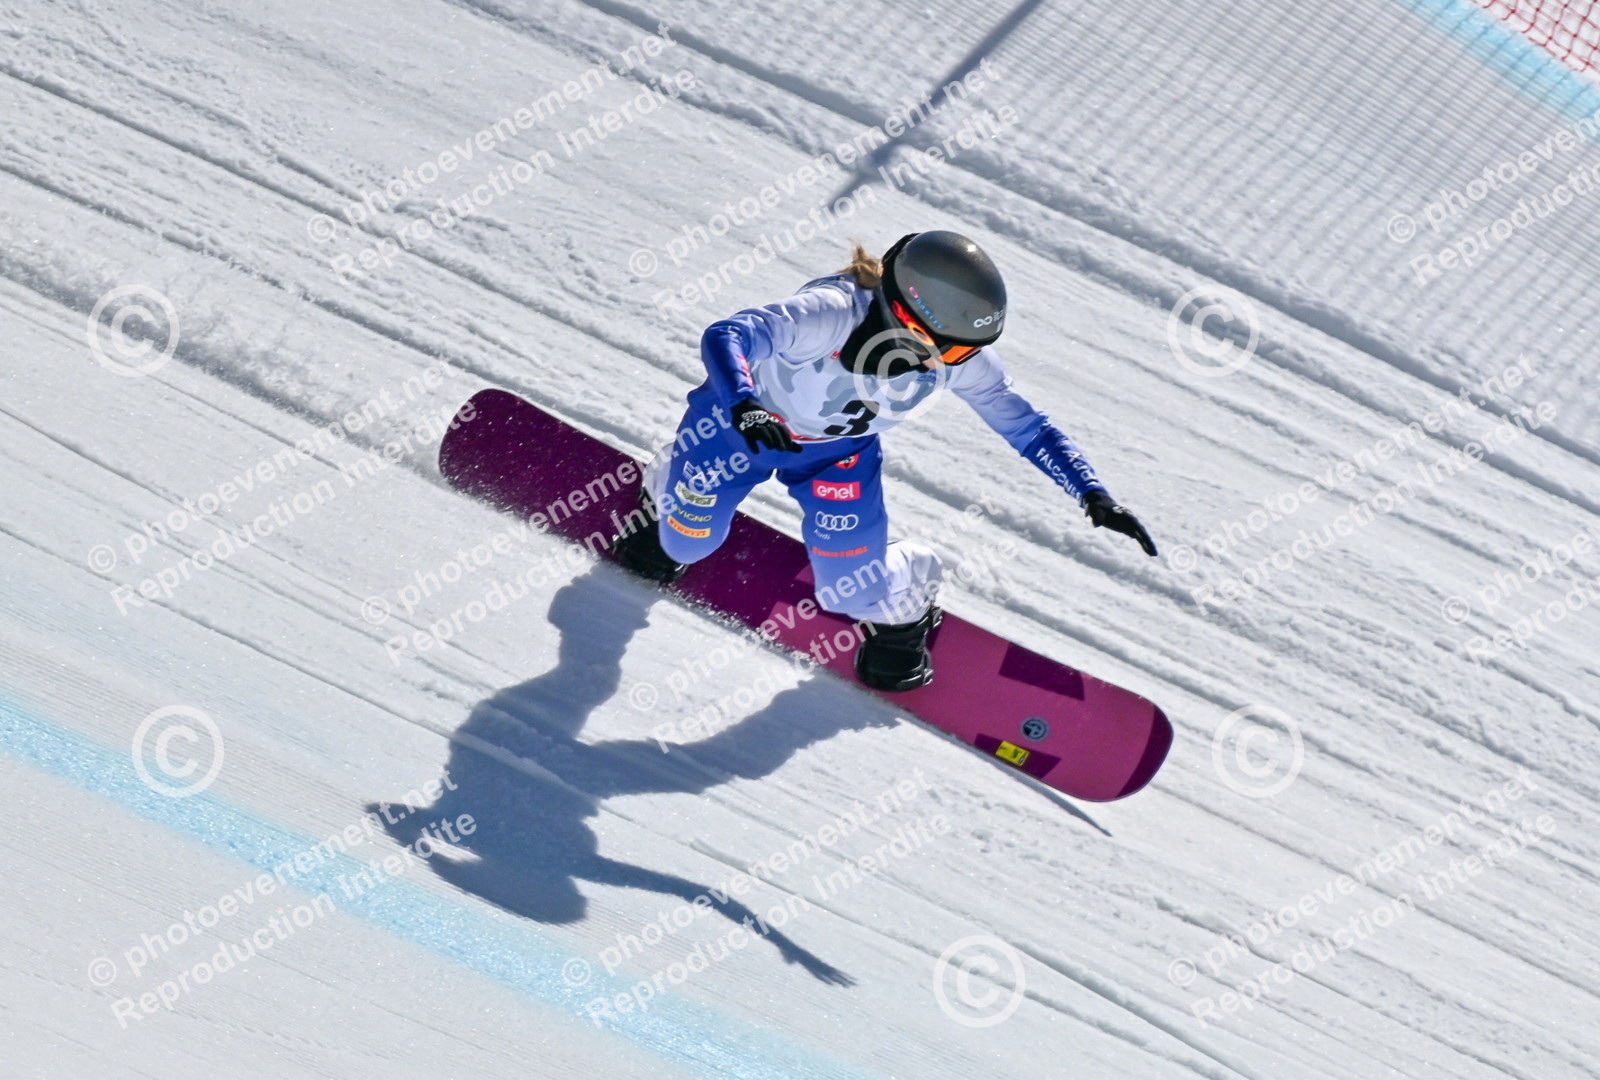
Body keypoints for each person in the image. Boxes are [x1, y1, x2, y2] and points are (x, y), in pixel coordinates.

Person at [613, 230, 1155, 691]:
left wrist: (1092, 492)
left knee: (852, 591)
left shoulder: (952, 354)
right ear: (897, 310)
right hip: (738, 429)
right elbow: (729, 333)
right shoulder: (834, 312)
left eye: (960, 352)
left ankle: (913, 590)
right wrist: (744, 403)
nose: (940, 362)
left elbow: (1027, 426)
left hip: (837, 457)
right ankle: (668, 484)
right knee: (683, 543)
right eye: (932, 344)